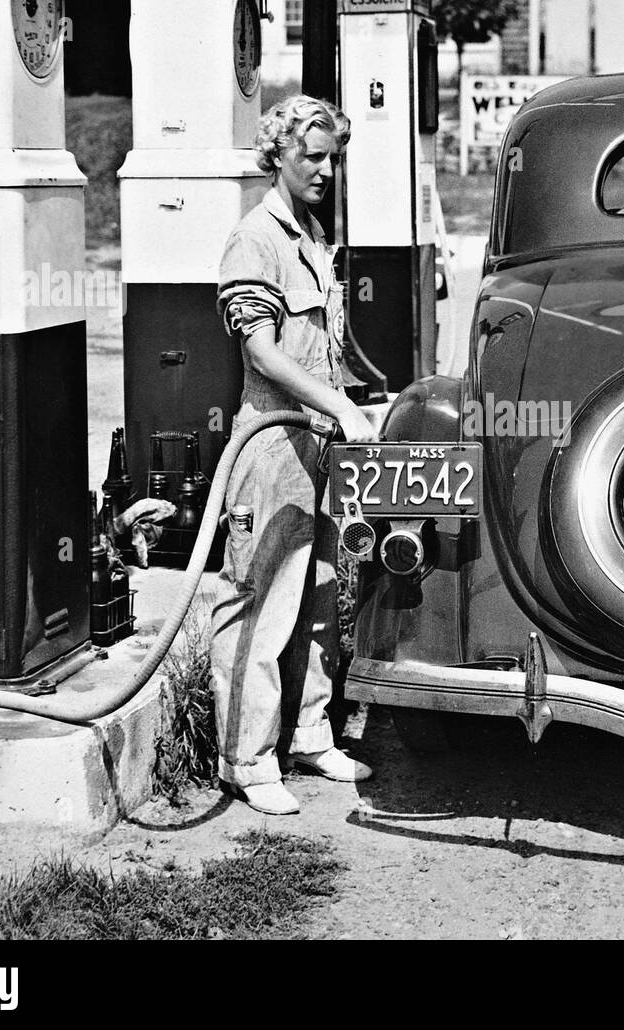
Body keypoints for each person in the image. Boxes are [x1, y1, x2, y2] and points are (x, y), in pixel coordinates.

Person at [208, 94, 379, 815]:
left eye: (332, 156)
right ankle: (246, 761)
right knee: (259, 603)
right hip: (271, 442)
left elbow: (325, 348)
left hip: (318, 443)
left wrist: (356, 399)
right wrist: (336, 405)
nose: (325, 170)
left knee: (315, 598)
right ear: (275, 153)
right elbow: (264, 352)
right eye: (312, 154)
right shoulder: (258, 239)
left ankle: (308, 734)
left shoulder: (310, 235)